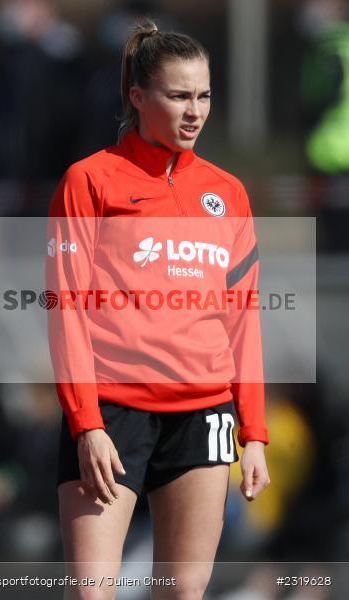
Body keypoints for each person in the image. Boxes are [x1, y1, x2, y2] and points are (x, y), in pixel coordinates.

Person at [47, 20, 270, 600]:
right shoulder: (90, 181)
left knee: (181, 594)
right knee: (92, 592)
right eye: (178, 96)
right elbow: (64, 308)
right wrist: (86, 424)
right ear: (137, 97)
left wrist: (256, 433)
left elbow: (244, 318)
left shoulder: (230, 192)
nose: (194, 111)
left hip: (204, 414)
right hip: (114, 411)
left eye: (203, 96)